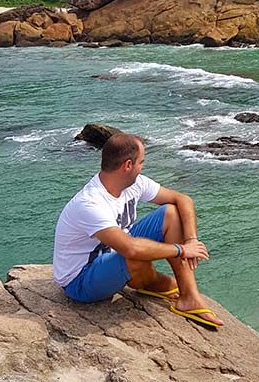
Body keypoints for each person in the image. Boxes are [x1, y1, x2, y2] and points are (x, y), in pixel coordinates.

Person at [53, 133, 224, 329]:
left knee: (171, 213)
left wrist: (191, 240)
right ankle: (156, 283)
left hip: (112, 258)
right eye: (141, 162)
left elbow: (182, 199)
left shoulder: (135, 184)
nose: (142, 167)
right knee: (133, 255)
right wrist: (182, 250)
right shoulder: (90, 203)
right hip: (81, 280)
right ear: (127, 165)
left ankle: (188, 296)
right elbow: (130, 249)